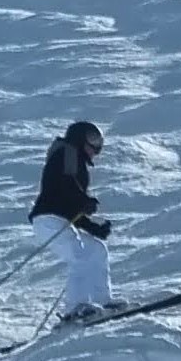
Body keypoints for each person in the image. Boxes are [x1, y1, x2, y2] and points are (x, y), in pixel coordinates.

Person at [30, 118, 113, 315]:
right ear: (79, 138)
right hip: (48, 219)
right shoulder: (67, 152)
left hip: (60, 220)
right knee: (80, 256)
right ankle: (76, 308)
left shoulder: (74, 159)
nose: (96, 147)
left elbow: (69, 204)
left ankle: (104, 301)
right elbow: (67, 187)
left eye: (99, 141)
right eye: (93, 139)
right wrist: (83, 200)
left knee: (97, 249)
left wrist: (92, 227)